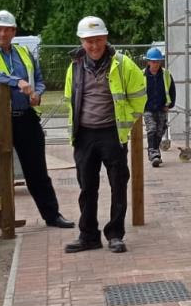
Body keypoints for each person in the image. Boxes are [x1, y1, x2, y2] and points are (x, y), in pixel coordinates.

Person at [0, 10, 73, 229]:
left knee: (37, 170)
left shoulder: (25, 53)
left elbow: (38, 80)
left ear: (13, 32)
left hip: (26, 118)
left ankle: (52, 215)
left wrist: (37, 94)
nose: (1, 34)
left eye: (6, 30)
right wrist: (16, 81)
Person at [62, 16, 147, 253]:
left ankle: (115, 235)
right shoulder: (75, 66)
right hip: (85, 136)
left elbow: (139, 97)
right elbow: (71, 100)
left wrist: (126, 121)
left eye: (98, 39)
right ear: (81, 41)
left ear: (106, 38)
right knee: (87, 188)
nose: (94, 45)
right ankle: (88, 235)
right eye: (89, 41)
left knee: (118, 185)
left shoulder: (123, 64)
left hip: (112, 134)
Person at [142, 47, 176, 167]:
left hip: (162, 107)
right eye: (153, 61)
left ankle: (155, 152)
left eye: (158, 61)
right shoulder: (142, 75)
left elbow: (172, 90)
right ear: (148, 62)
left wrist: (170, 104)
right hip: (148, 108)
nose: (156, 64)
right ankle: (153, 153)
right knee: (152, 128)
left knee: (160, 130)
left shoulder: (166, 74)